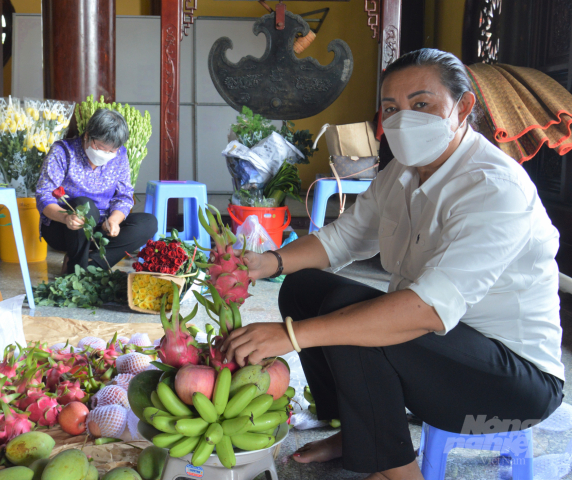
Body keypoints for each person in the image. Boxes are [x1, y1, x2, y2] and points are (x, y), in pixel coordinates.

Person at [220, 49, 565, 480]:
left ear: (463, 107)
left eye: (422, 104)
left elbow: (425, 309)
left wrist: (291, 336)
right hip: (443, 349)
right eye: (391, 108)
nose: (404, 120)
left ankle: (398, 471)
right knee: (304, 288)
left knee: (356, 322)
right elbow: (345, 237)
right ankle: (355, 433)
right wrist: (266, 262)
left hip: (512, 388)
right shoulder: (401, 170)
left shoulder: (493, 188)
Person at [36, 109, 157, 274]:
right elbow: (44, 195)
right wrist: (65, 217)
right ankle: (76, 269)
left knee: (148, 223)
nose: (106, 154)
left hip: (101, 229)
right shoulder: (63, 152)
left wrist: (114, 221)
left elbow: (124, 196)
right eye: (100, 147)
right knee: (84, 205)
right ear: (87, 136)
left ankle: (88, 266)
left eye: (111, 150)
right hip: (65, 227)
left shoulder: (120, 156)